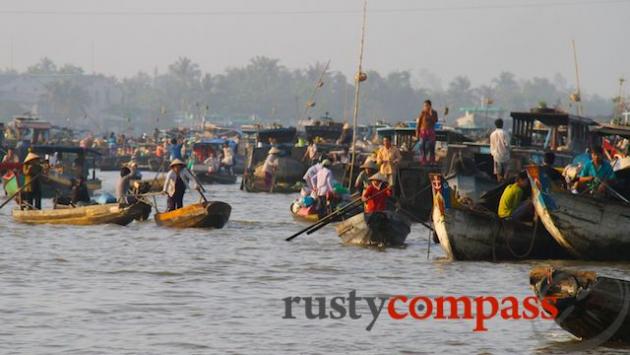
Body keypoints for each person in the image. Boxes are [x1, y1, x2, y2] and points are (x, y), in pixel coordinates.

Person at [416, 99, 439, 165]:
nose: (425, 107)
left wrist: (431, 113)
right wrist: (417, 133)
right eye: (424, 106)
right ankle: (423, 160)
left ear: (430, 106)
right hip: (423, 131)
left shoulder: (434, 112)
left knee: (432, 145)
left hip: (431, 131)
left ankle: (432, 160)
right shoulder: (422, 113)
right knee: (421, 145)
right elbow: (419, 123)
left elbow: (436, 120)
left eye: (426, 105)